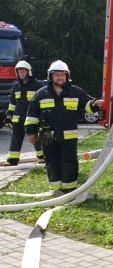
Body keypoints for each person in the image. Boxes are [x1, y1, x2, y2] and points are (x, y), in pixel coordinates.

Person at [24, 60, 103, 192]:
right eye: (57, 75)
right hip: (47, 137)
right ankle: (55, 189)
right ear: (51, 76)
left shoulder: (76, 92)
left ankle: (69, 189)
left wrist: (96, 103)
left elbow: (88, 104)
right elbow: (32, 114)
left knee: (69, 162)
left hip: (68, 138)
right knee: (51, 162)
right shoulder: (41, 94)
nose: (60, 77)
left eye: (62, 75)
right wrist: (31, 132)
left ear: (67, 76)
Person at [2, 61, 44, 167]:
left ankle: (42, 157)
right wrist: (9, 116)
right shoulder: (16, 86)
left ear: (28, 72)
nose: (21, 74)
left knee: (35, 137)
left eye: (23, 72)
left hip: (32, 119)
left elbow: (42, 102)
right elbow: (12, 102)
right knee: (15, 138)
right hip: (18, 119)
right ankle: (12, 160)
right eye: (19, 72)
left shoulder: (37, 85)